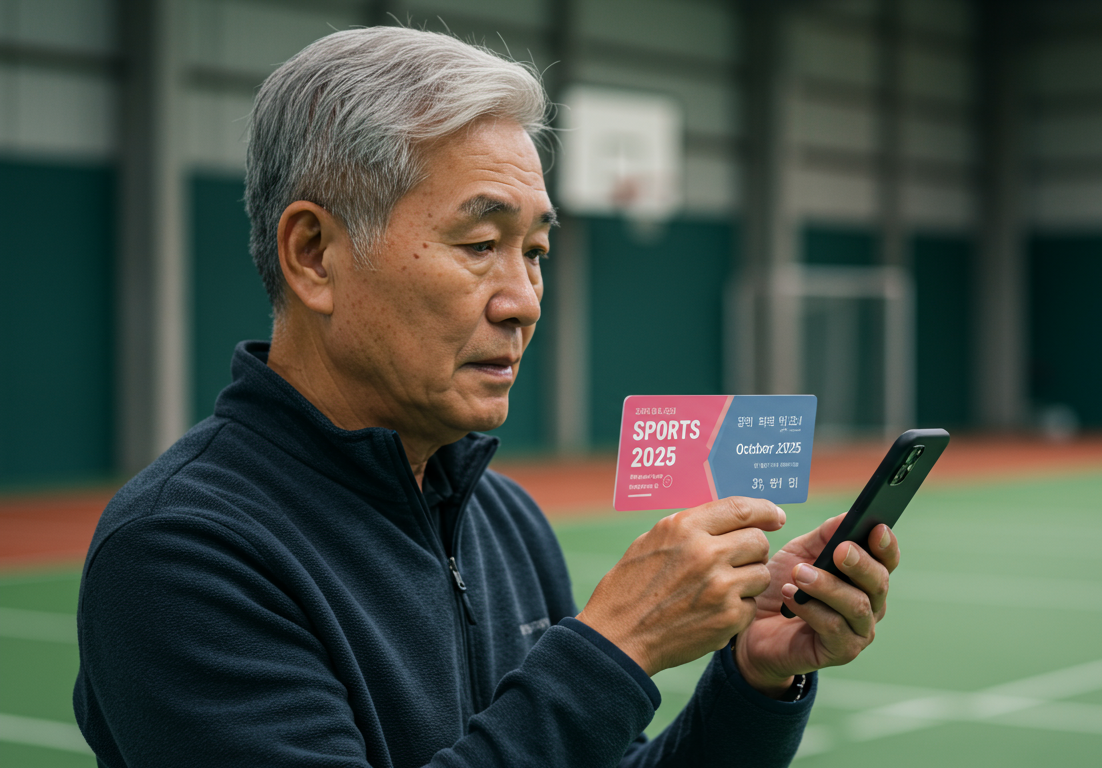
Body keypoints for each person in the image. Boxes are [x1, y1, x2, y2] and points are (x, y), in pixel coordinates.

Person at [73, 27, 901, 767]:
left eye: (534, 251)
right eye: (479, 244)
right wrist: (613, 648)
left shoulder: (502, 517)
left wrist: (755, 680)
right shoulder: (179, 553)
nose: (524, 300)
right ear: (314, 254)